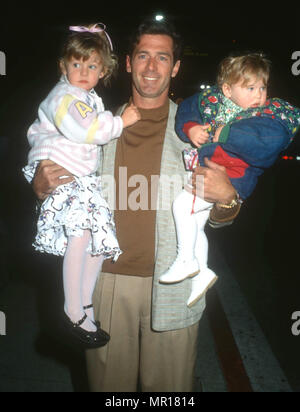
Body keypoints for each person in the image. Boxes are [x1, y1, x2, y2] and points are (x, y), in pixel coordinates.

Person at [31, 19, 251, 392]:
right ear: (128, 62)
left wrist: (228, 198)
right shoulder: (92, 128)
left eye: (162, 58)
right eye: (143, 56)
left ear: (175, 67)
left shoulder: (198, 134)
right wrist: (40, 188)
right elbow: (63, 198)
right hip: (106, 285)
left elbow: (219, 219)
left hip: (171, 285)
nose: (152, 67)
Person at [22, 23, 141, 349]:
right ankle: (72, 308)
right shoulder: (64, 96)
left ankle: (85, 307)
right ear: (63, 66)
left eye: (92, 65)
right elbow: (86, 131)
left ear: (103, 70)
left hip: (80, 177)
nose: (84, 71)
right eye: (77, 64)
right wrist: (120, 122)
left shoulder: (85, 96)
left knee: (98, 240)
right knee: (80, 234)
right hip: (63, 171)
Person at [159, 53, 300, 307]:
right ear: (227, 89)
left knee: (181, 206)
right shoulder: (213, 103)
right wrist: (190, 127)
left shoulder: (270, 113)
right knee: (194, 224)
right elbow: (189, 107)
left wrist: (223, 133)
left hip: (235, 178)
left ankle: (186, 260)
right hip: (212, 173)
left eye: (262, 87)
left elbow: (268, 143)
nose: (259, 94)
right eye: (250, 88)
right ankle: (201, 273)